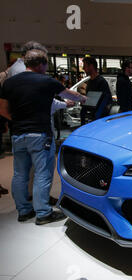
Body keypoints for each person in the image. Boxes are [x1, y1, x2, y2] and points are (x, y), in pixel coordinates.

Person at [0, 49, 86, 225]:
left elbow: (2, 109)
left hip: (18, 134)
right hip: (40, 134)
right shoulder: (46, 81)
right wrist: (83, 98)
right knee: (42, 173)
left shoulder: (10, 83)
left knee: (19, 174)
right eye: (46, 65)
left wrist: (17, 120)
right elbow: (70, 95)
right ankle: (43, 213)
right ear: (41, 64)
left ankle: (24, 211)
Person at [80, 57, 112, 125]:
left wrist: (97, 115)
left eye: (85, 66)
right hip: (91, 117)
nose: (83, 68)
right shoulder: (90, 81)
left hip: (98, 119)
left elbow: (106, 100)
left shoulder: (101, 82)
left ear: (91, 66)